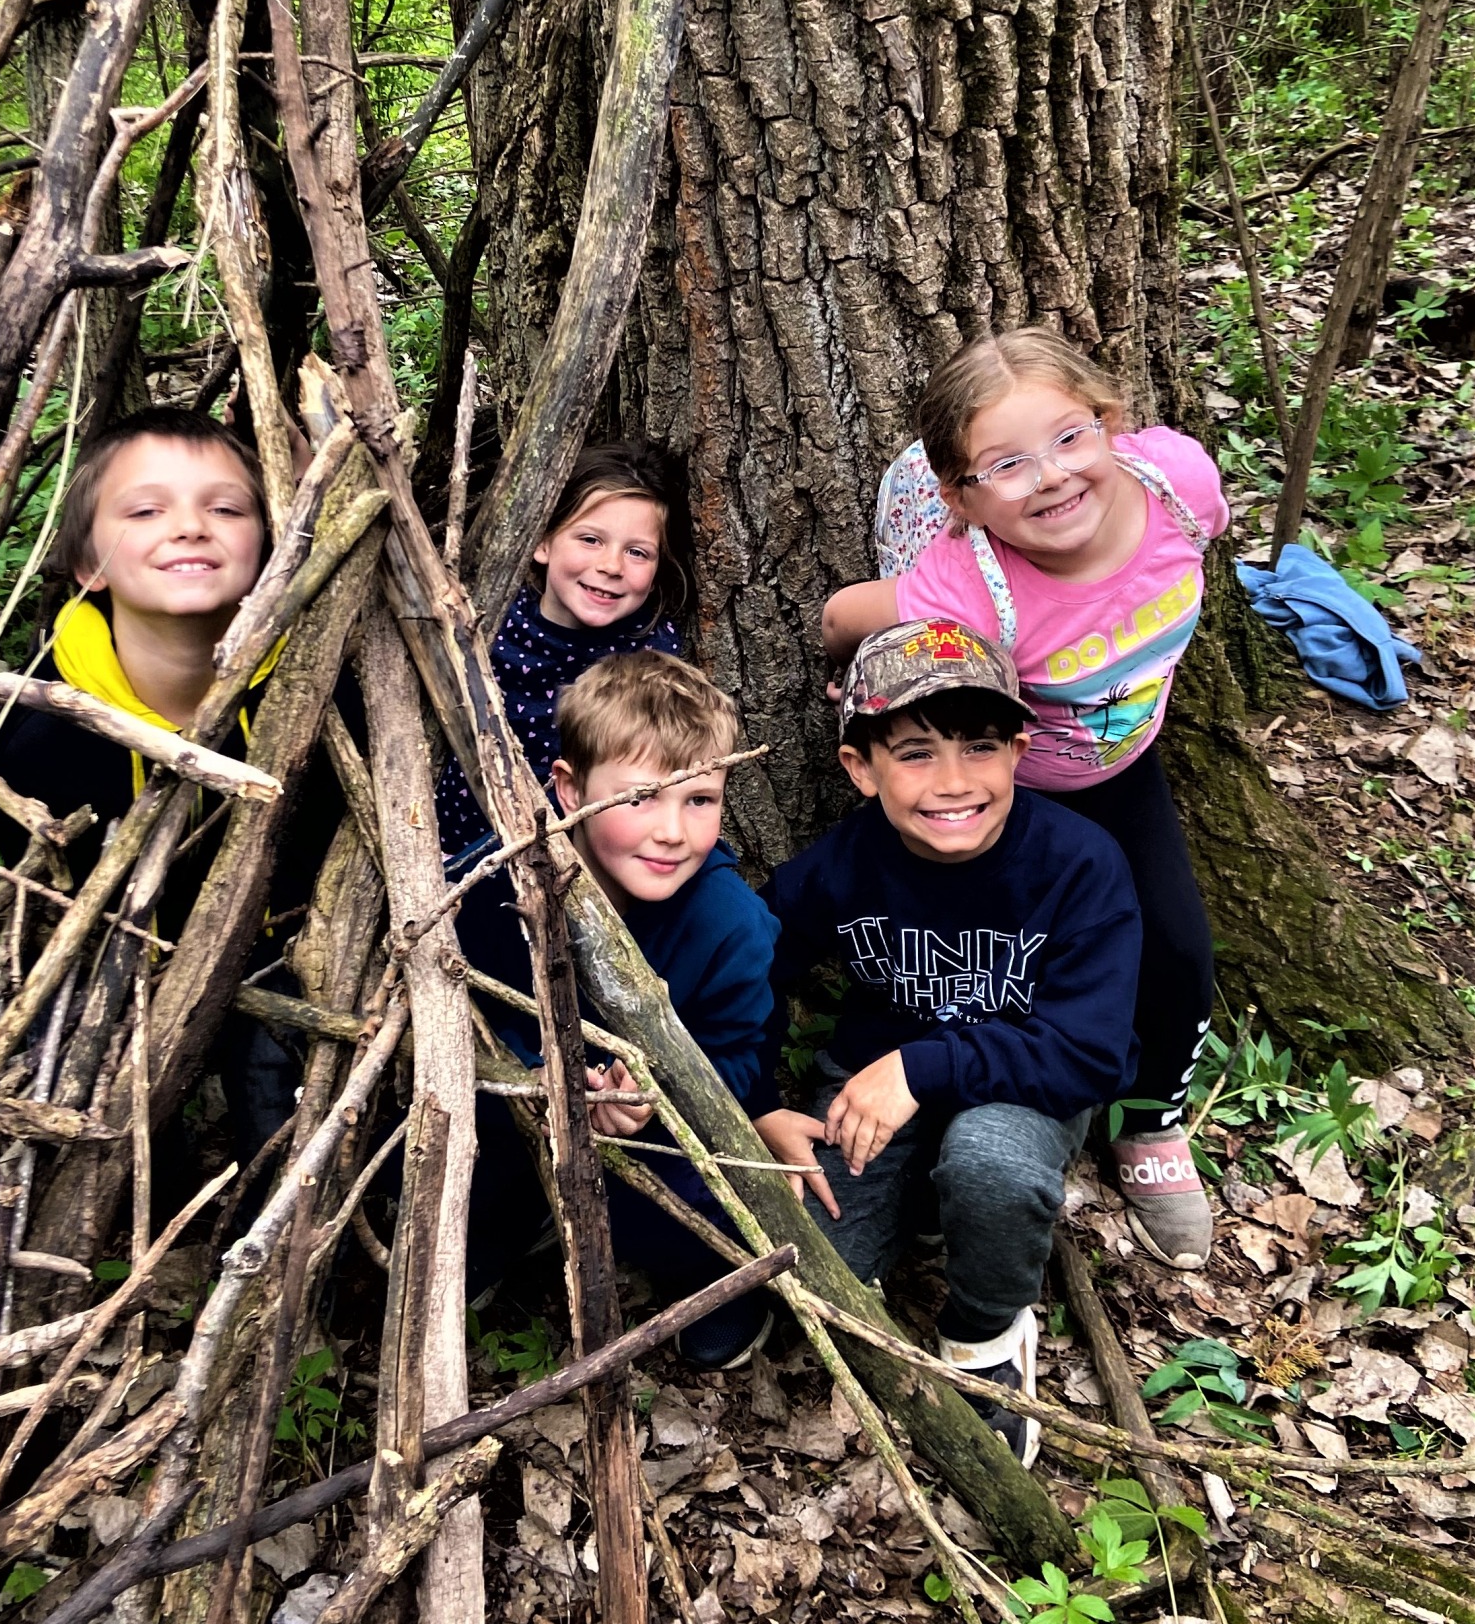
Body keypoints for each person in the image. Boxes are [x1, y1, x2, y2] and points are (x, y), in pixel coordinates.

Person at [819, 330, 1228, 1269]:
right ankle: (957, 1129)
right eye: (1007, 464)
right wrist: (856, 659)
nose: (1051, 477)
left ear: (1111, 424)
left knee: (1176, 949)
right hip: (1013, 792)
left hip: (1126, 766)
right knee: (995, 958)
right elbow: (843, 615)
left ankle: (1151, 1120)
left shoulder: (1178, 483)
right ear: (963, 499)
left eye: (1070, 438)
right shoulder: (968, 588)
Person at [752, 620, 1142, 1464]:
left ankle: (986, 1334)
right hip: (870, 1084)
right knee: (815, 1278)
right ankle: (919, 1210)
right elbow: (749, 973)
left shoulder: (1080, 864)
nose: (955, 780)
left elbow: (1093, 1051)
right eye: (917, 752)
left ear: (1019, 752)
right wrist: (758, 1103)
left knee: (991, 1165)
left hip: (1018, 1086)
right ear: (862, 768)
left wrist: (925, 1066)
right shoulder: (840, 867)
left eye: (980, 746)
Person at [0, 407, 320, 1193]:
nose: (190, 527)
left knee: (279, 1086)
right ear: (87, 564)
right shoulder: (39, 739)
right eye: (145, 510)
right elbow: (48, 923)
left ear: (272, 546)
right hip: (119, 978)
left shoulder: (318, 695)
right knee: (107, 1130)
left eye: (226, 507)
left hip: (278, 962)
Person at [456, 651, 780, 1370]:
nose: (673, 831)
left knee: (708, 1204)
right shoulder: (498, 884)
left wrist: (653, 1097)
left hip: (654, 1135)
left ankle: (723, 1279)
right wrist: (541, 1079)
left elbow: (739, 1055)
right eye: (642, 798)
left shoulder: (729, 921)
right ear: (569, 789)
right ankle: (512, 1219)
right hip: (518, 1106)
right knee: (463, 1141)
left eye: (700, 800)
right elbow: (467, 1012)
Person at [436, 441, 689, 858]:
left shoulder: (652, 655)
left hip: (578, 863)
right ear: (543, 542)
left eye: (637, 552)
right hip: (452, 847)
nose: (611, 566)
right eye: (590, 539)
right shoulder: (490, 619)